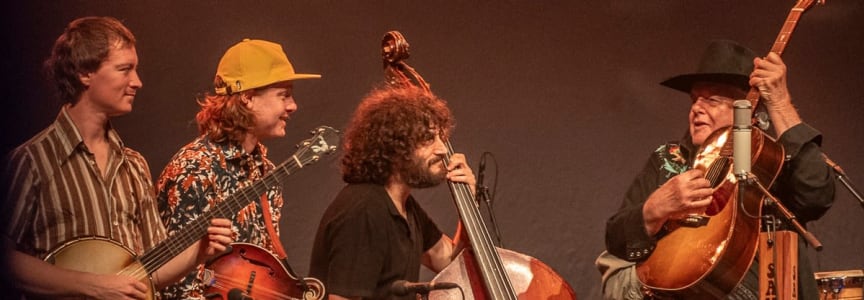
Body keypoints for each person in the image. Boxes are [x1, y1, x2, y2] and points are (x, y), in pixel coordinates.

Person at [1, 16, 234, 299]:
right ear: (84, 72)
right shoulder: (33, 160)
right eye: (124, 69)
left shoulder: (134, 165)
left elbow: (150, 272)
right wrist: (92, 285)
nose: (137, 82)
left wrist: (199, 252)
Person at [600, 39, 836, 299]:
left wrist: (780, 103)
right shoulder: (668, 159)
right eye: (694, 100)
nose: (696, 108)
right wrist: (653, 210)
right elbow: (616, 240)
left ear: (749, 111)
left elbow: (817, 195)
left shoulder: (771, 162)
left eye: (712, 100)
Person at [156, 38, 320, 299]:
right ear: (248, 98)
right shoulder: (195, 169)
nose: (293, 105)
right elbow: (175, 286)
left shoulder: (266, 170)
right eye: (284, 95)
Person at [308, 86, 476, 300]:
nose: (443, 149)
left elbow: (448, 262)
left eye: (440, 138)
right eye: (428, 139)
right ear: (395, 147)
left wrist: (469, 205)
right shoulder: (365, 210)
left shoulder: (404, 206)